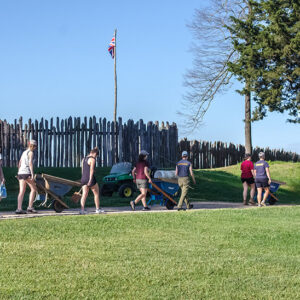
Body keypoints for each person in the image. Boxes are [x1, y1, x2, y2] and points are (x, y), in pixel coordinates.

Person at [16, 140, 38, 214]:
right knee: (34, 189)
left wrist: (19, 171)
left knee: (21, 191)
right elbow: (30, 163)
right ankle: (30, 207)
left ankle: (19, 209)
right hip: (26, 172)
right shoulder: (31, 153)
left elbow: (19, 163)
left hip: (21, 173)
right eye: (35, 146)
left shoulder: (24, 152)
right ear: (34, 146)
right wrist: (32, 173)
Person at [80, 147, 103, 214]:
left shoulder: (83, 159)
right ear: (94, 153)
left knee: (84, 194)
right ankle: (97, 209)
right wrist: (90, 180)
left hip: (83, 178)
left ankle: (82, 210)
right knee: (96, 194)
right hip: (90, 179)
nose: (96, 157)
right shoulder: (92, 159)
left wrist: (83, 178)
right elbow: (91, 170)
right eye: (96, 156)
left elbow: (83, 170)